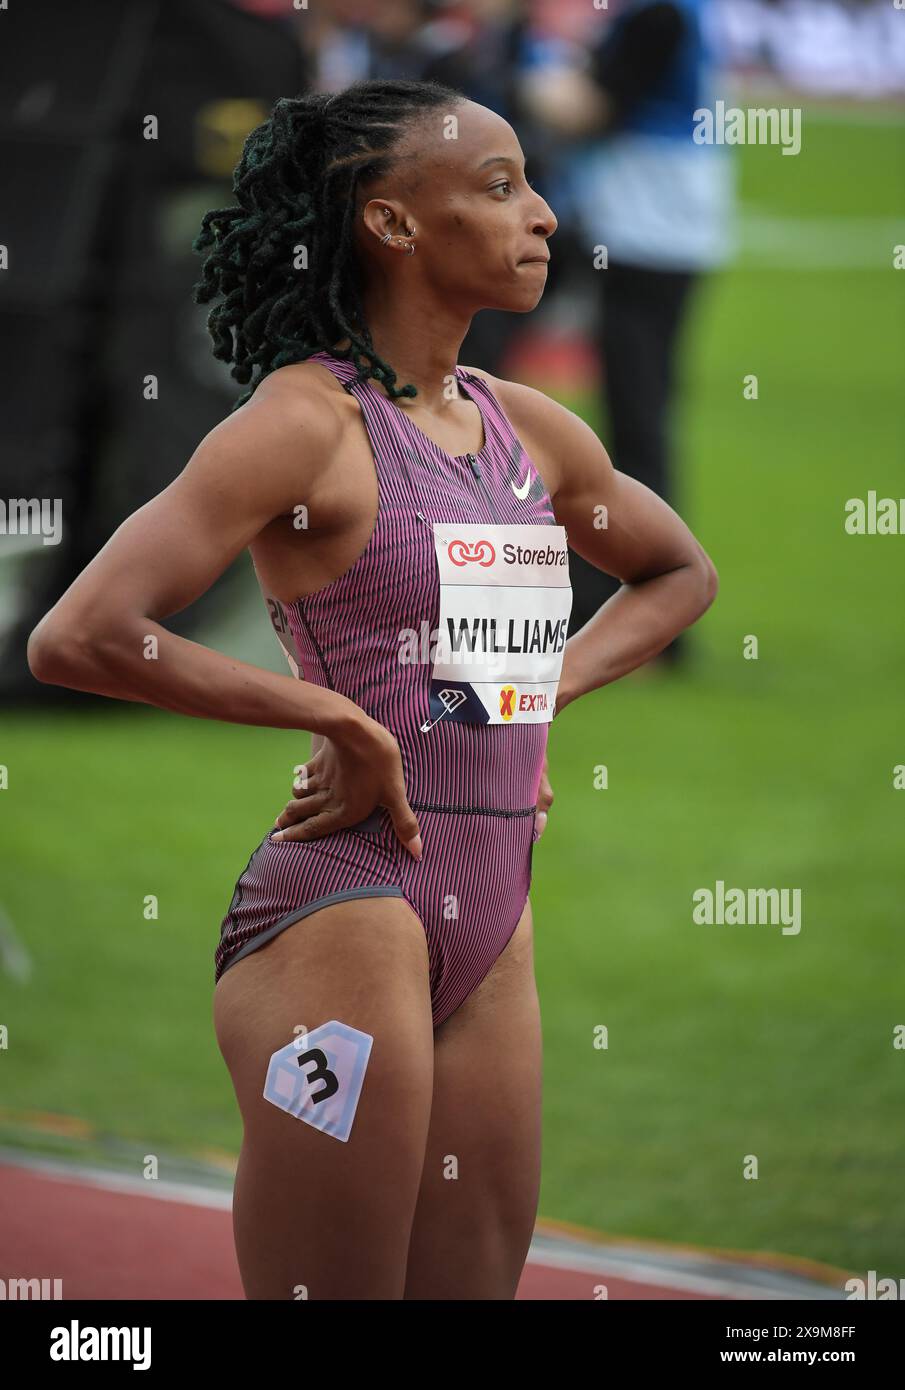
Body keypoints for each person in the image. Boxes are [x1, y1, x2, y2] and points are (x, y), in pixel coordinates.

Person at [27, 78, 717, 1300]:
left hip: (495, 919)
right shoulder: (301, 427)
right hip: (347, 911)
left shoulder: (530, 432)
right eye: (498, 187)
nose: (542, 215)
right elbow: (81, 634)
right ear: (392, 224)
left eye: (531, 183)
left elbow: (675, 574)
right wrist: (331, 714)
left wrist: (531, 696)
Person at [522, 0, 733, 658]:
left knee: (635, 428)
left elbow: (584, 109)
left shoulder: (657, 15)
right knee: (630, 426)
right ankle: (622, 607)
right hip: (653, 232)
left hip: (649, 236)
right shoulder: (664, 13)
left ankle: (647, 617)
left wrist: (523, 66)